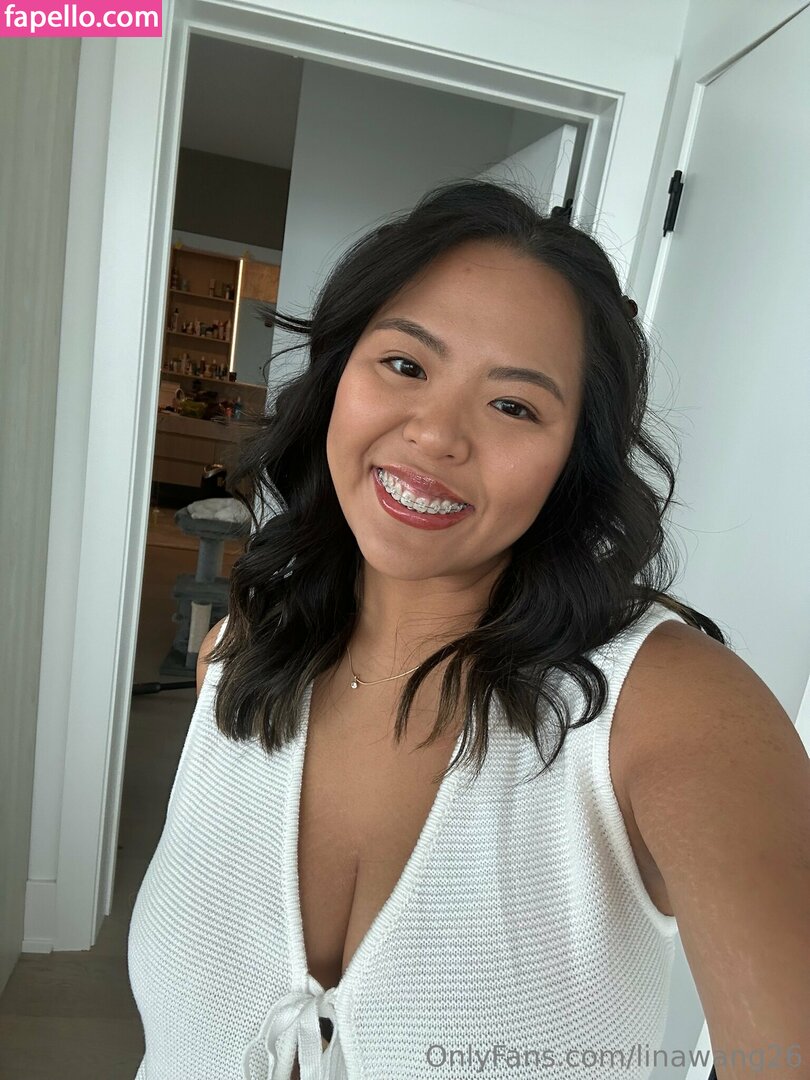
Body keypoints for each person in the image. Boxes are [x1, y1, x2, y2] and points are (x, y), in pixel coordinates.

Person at [128, 180, 810, 1080]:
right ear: (338, 378)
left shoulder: (669, 707)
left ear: (574, 462)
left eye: (515, 406)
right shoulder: (240, 652)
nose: (437, 435)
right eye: (405, 365)